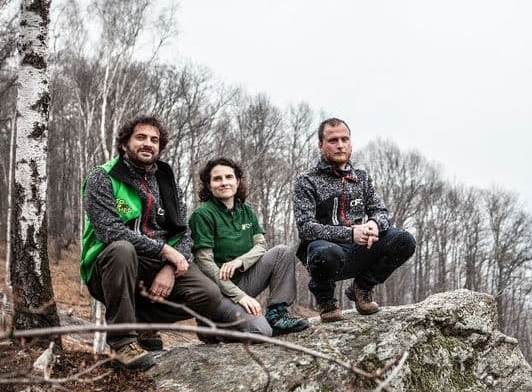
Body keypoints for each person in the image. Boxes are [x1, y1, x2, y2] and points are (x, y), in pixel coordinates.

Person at [81, 115, 223, 369]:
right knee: (122, 250)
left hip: (157, 264)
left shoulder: (167, 181)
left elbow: (184, 231)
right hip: (109, 265)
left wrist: (169, 267)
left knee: (209, 294)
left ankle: (143, 322)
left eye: (154, 140)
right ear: (124, 143)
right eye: (141, 137)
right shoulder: (103, 177)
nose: (148, 143)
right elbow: (110, 231)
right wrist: (164, 250)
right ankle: (123, 342)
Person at [293, 117, 416, 321]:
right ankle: (326, 300)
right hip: (326, 256)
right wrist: (350, 233)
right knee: (326, 252)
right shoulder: (307, 181)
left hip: (360, 250)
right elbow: (306, 228)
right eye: (333, 140)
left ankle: (362, 288)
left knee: (404, 240)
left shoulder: (361, 177)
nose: (340, 145)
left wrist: (374, 224)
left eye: (345, 139)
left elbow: (380, 211)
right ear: (321, 145)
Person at [189, 158, 309, 337]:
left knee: (282, 252)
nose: (224, 182)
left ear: (237, 181)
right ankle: (210, 327)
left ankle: (276, 315)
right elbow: (205, 264)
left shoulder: (246, 211)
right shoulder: (202, 214)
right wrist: (240, 297)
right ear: (208, 185)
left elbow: (261, 246)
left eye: (229, 177)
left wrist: (240, 262)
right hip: (218, 291)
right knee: (261, 331)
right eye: (217, 179)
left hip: (244, 281)